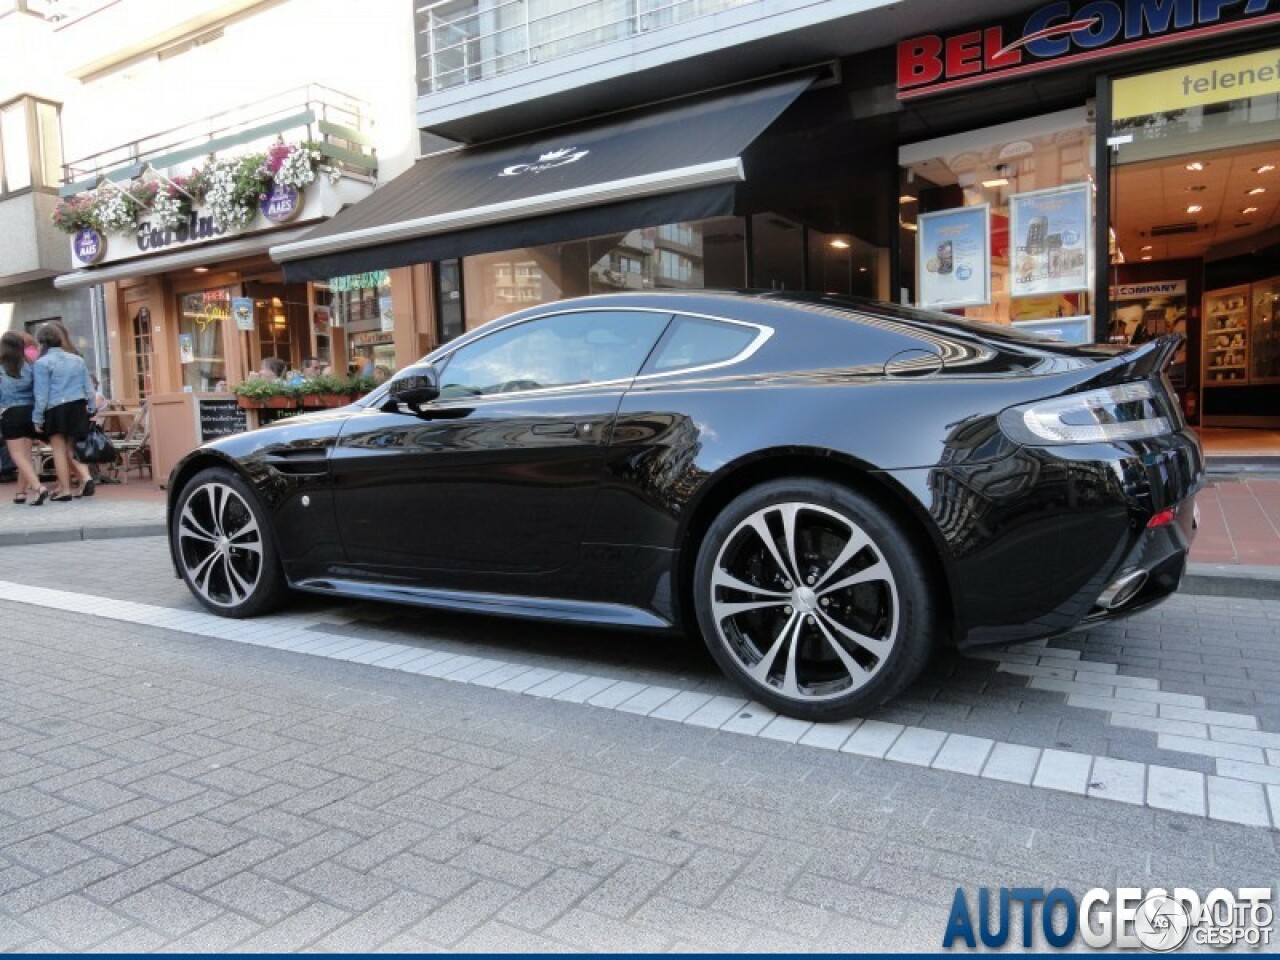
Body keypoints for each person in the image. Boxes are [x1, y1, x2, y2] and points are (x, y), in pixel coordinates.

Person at [32, 324, 96, 502]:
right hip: (77, 405)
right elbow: (88, 386)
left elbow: (41, 394)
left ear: (42, 342)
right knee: (71, 448)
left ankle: (65, 489)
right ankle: (86, 478)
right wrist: (91, 406)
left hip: (56, 408)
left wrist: (37, 418)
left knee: (58, 450)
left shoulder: (42, 363)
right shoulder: (77, 359)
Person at [0, 331, 48, 505]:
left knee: (17, 455)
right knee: (26, 455)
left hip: (11, 412)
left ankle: (38, 487)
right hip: (30, 410)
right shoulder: (30, 365)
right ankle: (20, 492)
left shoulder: (1, 367)